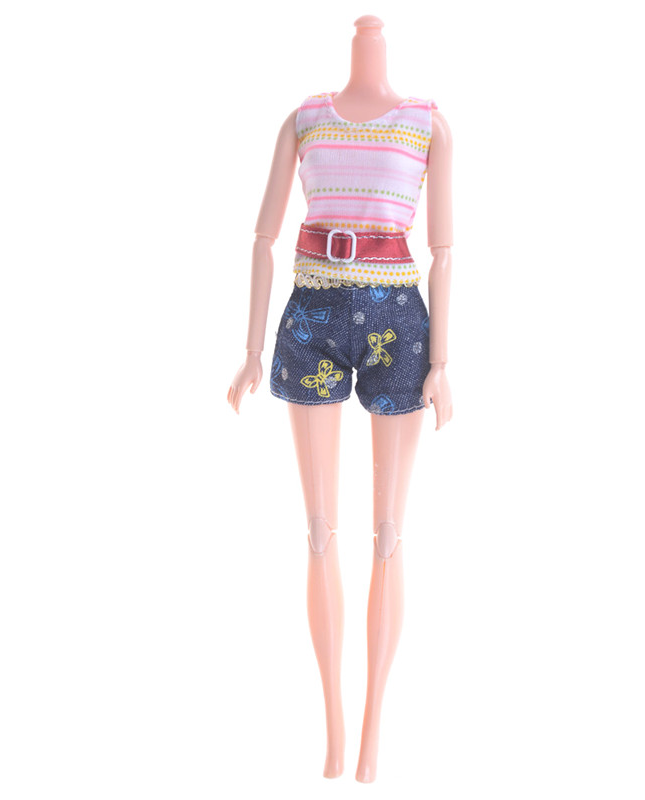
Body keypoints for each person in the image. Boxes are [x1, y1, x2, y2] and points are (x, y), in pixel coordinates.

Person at [226, 15, 453, 783]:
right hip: (312, 312)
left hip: (398, 319)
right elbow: (262, 238)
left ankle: (372, 738)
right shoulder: (305, 118)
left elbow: (446, 252)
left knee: (388, 533)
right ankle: (332, 734)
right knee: (320, 532)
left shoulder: (427, 123)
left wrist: (443, 362)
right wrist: (251, 352)